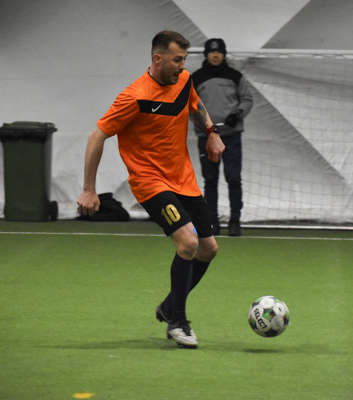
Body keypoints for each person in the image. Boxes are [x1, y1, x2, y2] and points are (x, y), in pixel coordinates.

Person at [77, 30, 225, 349]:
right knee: (188, 242)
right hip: (150, 182)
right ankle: (178, 322)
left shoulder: (183, 81)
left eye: (184, 60)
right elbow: (96, 137)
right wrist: (89, 189)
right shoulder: (134, 96)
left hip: (183, 179)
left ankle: (170, 306)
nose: (182, 66)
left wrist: (212, 132)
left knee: (209, 248)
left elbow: (196, 106)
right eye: (177, 60)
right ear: (158, 59)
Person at [191, 38, 254, 236]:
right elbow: (189, 105)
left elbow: (247, 99)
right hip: (207, 137)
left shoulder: (235, 76)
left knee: (233, 178)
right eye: (212, 52)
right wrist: (203, 124)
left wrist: (237, 114)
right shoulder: (196, 78)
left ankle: (235, 221)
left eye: (219, 52)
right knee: (210, 180)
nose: (216, 55)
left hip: (231, 137)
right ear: (206, 54)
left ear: (224, 54)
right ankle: (212, 221)